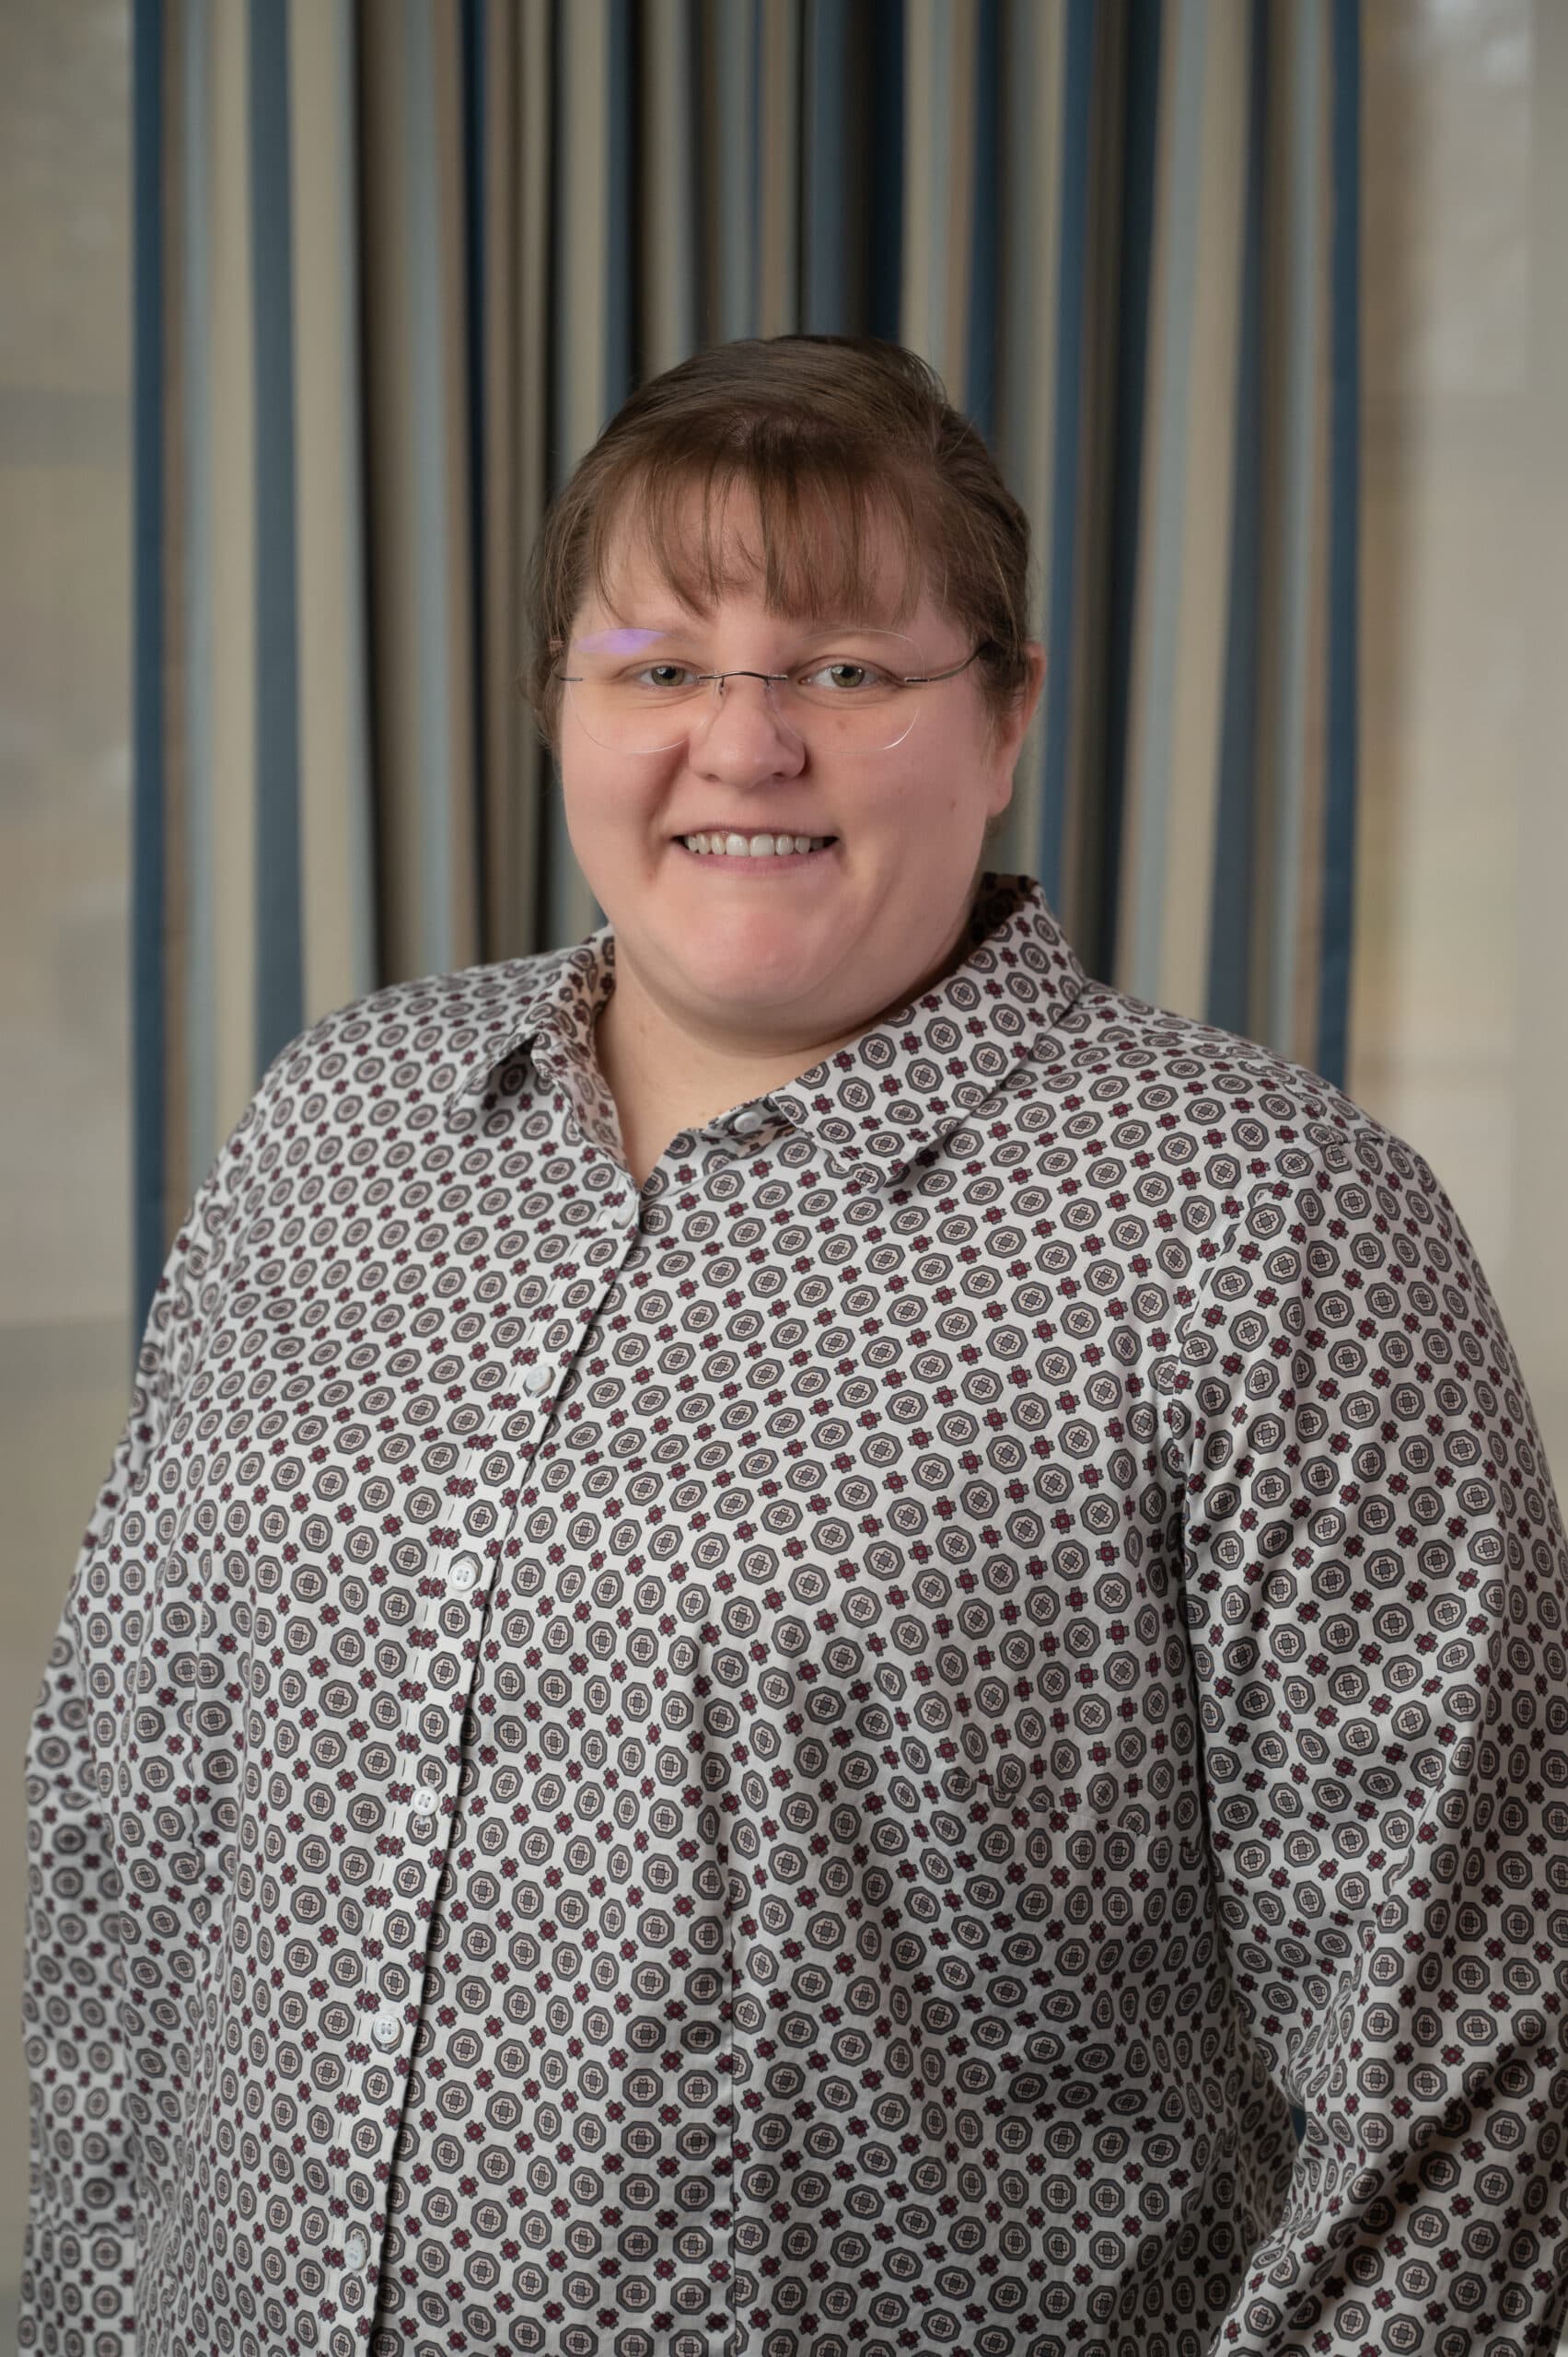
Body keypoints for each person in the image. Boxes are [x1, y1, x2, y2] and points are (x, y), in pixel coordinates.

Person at [23, 334, 1568, 2357]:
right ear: (565, 707)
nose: (746, 743)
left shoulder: (1261, 1221)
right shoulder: (341, 1118)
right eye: (659, 664)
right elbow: (130, 1842)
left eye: (845, 667)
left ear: (1005, 716)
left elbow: (1465, 2052)